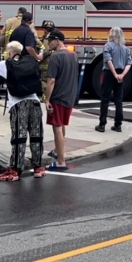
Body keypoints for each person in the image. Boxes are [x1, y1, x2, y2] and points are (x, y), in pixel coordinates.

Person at [0, 41, 45, 181]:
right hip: (35, 102)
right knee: (36, 135)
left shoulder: (6, 63)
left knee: (19, 137)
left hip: (18, 103)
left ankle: (15, 170)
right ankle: (38, 167)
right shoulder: (30, 61)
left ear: (9, 52)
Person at [44, 30, 78, 171]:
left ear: (57, 41)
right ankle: (58, 151)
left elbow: (51, 80)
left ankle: (61, 161)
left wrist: (47, 100)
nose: (48, 43)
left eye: (50, 41)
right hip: (69, 96)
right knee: (62, 124)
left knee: (56, 127)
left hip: (58, 96)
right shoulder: (73, 55)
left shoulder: (55, 57)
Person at [97, 26, 131, 133]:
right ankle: (118, 125)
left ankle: (102, 124)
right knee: (118, 100)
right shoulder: (125, 48)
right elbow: (128, 63)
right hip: (121, 73)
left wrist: (114, 74)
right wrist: (121, 75)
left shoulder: (108, 46)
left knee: (105, 99)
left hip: (109, 73)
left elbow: (109, 61)